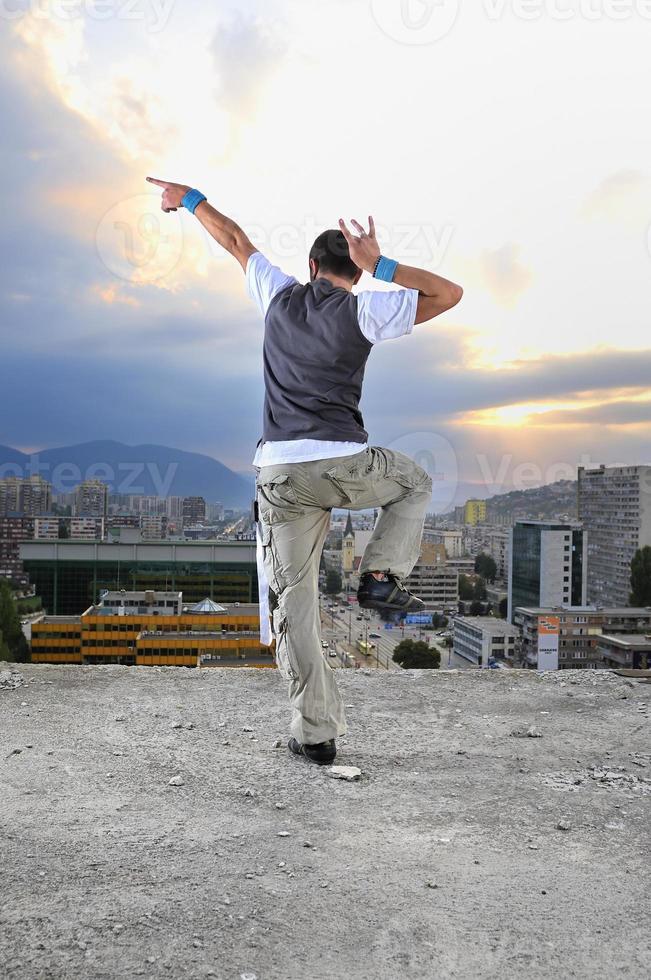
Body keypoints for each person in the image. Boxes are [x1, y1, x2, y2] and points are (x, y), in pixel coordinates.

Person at [146, 177, 463, 765]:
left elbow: (235, 240)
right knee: (414, 480)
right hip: (344, 464)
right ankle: (379, 578)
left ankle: (315, 734)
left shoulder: (278, 294)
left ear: (311, 264)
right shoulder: (367, 308)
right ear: (354, 273)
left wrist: (187, 200)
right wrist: (383, 262)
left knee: (296, 608)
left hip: (281, 477)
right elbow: (449, 294)